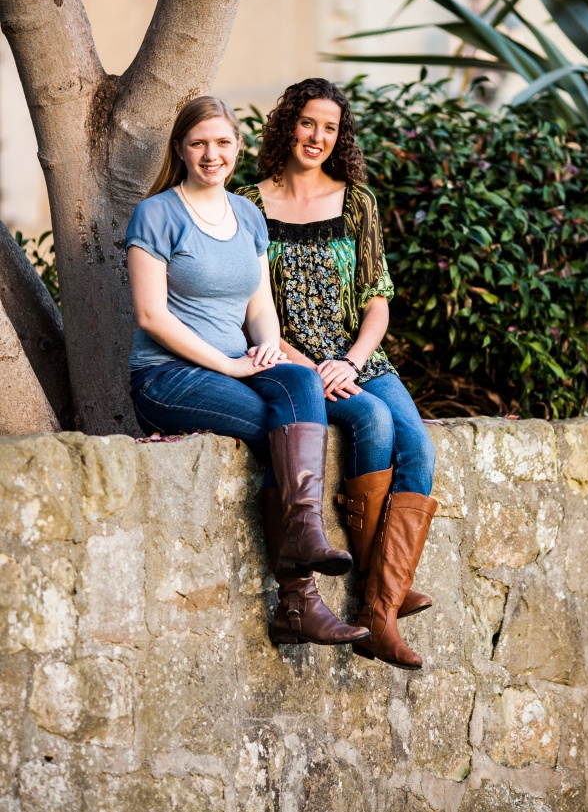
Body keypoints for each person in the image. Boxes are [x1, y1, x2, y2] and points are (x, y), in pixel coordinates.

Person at [125, 95, 369, 649]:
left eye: (223, 143)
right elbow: (150, 316)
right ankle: (298, 598)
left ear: (237, 146)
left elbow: (261, 307)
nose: (212, 155)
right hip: (168, 377)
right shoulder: (157, 213)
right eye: (199, 144)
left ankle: (303, 540)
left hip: (237, 365)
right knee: (276, 430)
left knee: (301, 381)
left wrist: (262, 348)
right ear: (182, 151)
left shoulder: (248, 215)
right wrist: (232, 365)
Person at [236, 78, 438, 671]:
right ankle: (385, 598)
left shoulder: (357, 202)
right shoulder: (249, 204)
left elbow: (377, 299)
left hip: (357, 357)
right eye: (307, 124)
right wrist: (310, 367)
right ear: (286, 126)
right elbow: (247, 305)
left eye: (330, 128)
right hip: (290, 362)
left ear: (339, 136)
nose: (317, 137)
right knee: (371, 421)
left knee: (419, 448)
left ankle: (379, 607)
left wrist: (348, 360)